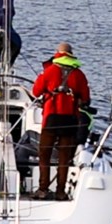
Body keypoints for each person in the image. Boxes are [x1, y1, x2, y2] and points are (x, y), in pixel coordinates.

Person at [30, 43, 91, 200]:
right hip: (70, 120)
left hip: (51, 119)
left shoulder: (49, 71)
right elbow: (86, 99)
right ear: (70, 55)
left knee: (44, 155)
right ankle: (61, 192)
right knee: (64, 157)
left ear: (58, 53)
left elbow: (36, 91)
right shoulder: (79, 75)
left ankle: (43, 189)